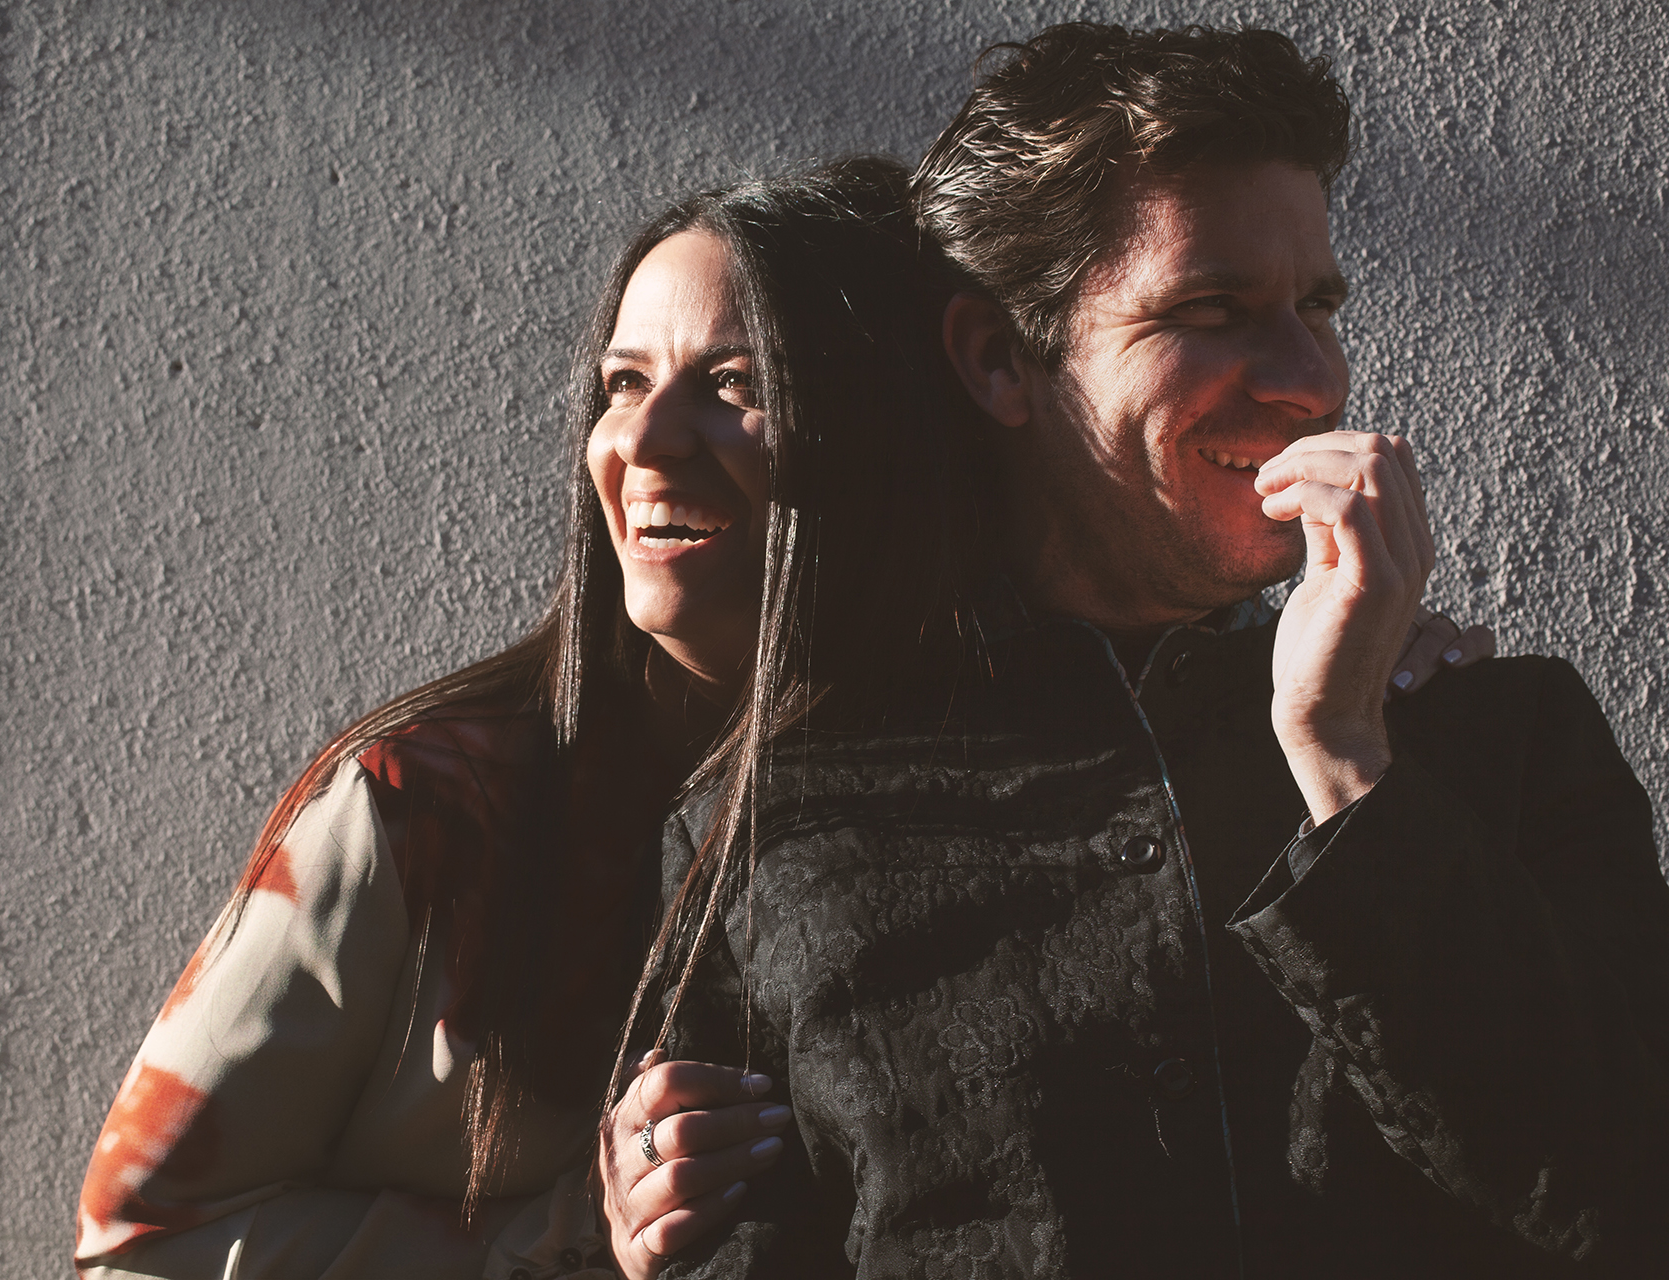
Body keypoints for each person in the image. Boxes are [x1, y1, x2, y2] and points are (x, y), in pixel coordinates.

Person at [629, 23, 1669, 1279]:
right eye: (1214, 309)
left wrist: (1346, 760)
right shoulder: (771, 819)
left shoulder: (1499, 735)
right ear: (1000, 359)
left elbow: (1628, 1191)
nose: (1308, 376)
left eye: (1317, 304)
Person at [72, 156, 986, 1279]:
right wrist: (566, 1233)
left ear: (883, 434)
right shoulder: (422, 808)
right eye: (623, 382)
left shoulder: (983, 807)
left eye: (737, 383)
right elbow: (141, 1243)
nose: (646, 440)